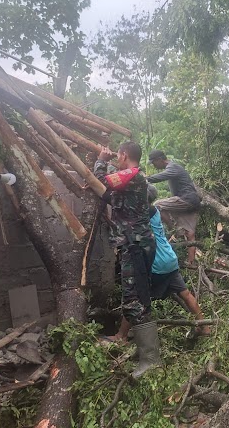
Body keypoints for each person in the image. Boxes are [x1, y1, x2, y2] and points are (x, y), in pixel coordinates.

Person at [93, 142, 161, 378]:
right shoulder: (132, 180)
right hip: (135, 243)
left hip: (136, 244)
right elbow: (111, 196)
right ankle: (131, 343)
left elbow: (103, 180)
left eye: (117, 156)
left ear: (123, 155)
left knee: (136, 299)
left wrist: (101, 160)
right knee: (134, 295)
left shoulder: (133, 174)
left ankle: (151, 360)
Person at [115, 185, 211, 341]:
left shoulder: (143, 212)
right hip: (169, 259)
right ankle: (205, 327)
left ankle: (121, 335)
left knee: (134, 297)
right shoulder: (154, 211)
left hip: (156, 263)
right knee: (185, 294)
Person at [146, 150, 202, 265]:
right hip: (193, 202)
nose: (154, 165)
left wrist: (145, 179)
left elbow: (160, 177)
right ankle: (191, 262)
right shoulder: (173, 168)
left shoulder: (173, 167)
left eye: (154, 163)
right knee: (190, 234)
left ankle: (174, 230)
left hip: (186, 199)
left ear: (160, 160)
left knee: (157, 205)